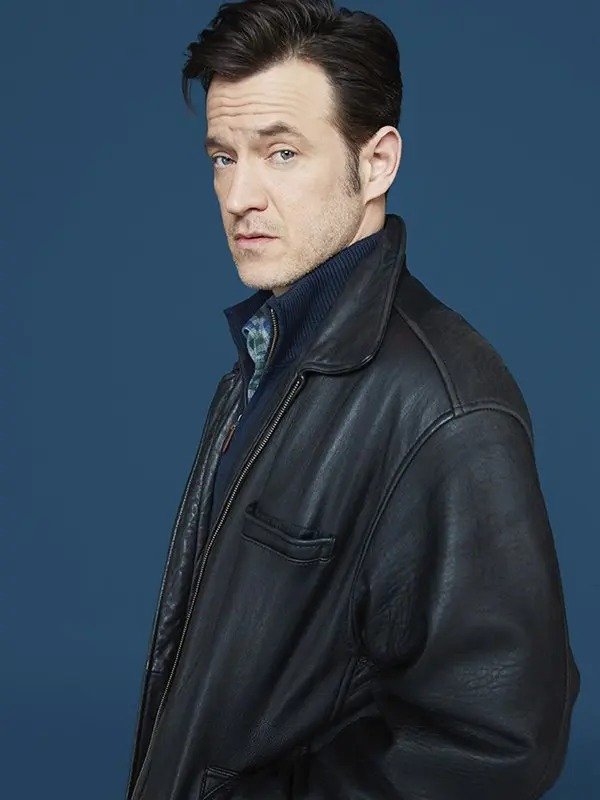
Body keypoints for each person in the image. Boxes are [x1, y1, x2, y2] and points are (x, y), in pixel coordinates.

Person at [124, 1, 580, 798]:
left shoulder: (446, 407)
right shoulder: (268, 358)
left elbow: (499, 740)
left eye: (282, 153)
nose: (239, 195)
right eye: (224, 157)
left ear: (377, 164)